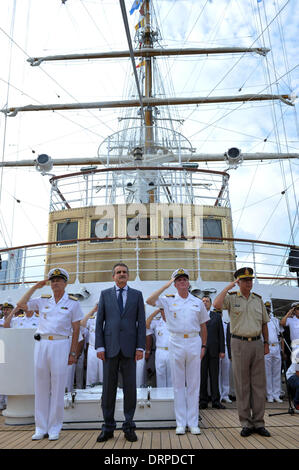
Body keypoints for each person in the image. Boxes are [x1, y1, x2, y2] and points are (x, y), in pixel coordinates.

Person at [17, 267, 83, 441]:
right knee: (41, 387)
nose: (55, 283)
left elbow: (76, 329)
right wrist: (34, 288)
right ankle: (40, 427)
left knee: (58, 387)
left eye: (59, 280)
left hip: (61, 344)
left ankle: (54, 427)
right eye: (52, 280)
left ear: (65, 283)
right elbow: (21, 305)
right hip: (42, 344)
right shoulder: (42, 300)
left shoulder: (73, 303)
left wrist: (73, 353)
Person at [146, 268, 208, 435]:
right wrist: (166, 285)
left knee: (194, 384)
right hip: (176, 341)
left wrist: (203, 346)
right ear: (175, 284)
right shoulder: (167, 300)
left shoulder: (198, 302)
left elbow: (203, 326)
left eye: (184, 279)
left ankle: (193, 422)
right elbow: (150, 300)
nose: (182, 282)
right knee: (178, 384)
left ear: (188, 283)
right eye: (178, 280)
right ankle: (181, 423)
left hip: (194, 341)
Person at [213, 267, 271, 438]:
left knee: (259, 385)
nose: (249, 283)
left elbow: (264, 323)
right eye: (245, 280)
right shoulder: (231, 298)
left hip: (257, 343)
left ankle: (259, 423)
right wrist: (228, 287)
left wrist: (266, 343)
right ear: (238, 282)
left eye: (250, 280)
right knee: (242, 385)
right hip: (238, 343)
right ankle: (246, 423)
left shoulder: (258, 300)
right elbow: (216, 305)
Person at [95, 262, 146, 443]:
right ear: (113, 276)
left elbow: (141, 323)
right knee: (108, 390)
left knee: (130, 390)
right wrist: (99, 346)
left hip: (130, 349)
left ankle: (129, 426)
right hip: (109, 349)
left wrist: (140, 347)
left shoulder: (137, 295)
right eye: (118, 272)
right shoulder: (105, 295)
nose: (121, 274)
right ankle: (108, 427)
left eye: (124, 272)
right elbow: (99, 322)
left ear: (128, 275)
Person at [199, 296, 225, 409]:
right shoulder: (197, 316)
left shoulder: (216, 316)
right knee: (202, 377)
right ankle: (203, 401)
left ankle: (216, 401)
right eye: (203, 301)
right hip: (201, 351)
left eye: (207, 301)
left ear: (210, 303)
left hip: (214, 351)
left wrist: (222, 350)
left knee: (215, 377)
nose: (205, 303)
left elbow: (221, 334)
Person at [146, 308, 172, 388]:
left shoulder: (175, 321)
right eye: (163, 309)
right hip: (160, 351)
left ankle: (171, 398)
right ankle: (162, 397)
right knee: (160, 375)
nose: (165, 311)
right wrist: (157, 311)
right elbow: (147, 324)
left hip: (172, 351)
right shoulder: (157, 322)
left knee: (172, 376)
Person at [264, 301, 284, 403]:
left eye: (268, 307)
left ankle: (276, 394)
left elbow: (280, 335)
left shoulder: (275, 320)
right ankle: (269, 395)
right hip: (267, 347)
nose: (267, 309)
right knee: (268, 373)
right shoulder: (261, 319)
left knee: (277, 372)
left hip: (276, 346)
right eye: (266, 307)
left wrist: (282, 350)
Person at [81, 304, 103, 387]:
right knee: (91, 374)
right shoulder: (91, 320)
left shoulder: (109, 320)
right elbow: (82, 323)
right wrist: (93, 311)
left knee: (103, 374)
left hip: (105, 350)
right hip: (92, 348)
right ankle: (90, 390)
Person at [219, 313, 232, 404]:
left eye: (220, 313)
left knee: (226, 373)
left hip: (226, 348)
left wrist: (230, 354)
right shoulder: (213, 323)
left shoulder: (226, 324)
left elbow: (229, 339)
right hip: (217, 349)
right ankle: (219, 394)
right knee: (217, 374)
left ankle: (225, 394)